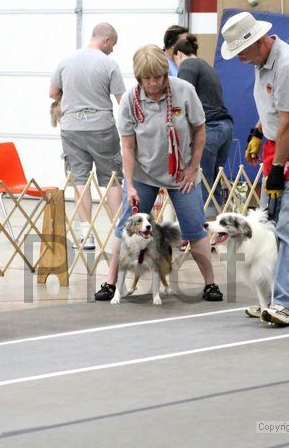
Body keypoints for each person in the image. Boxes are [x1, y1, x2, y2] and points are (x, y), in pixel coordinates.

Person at [220, 11, 289, 327]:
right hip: (278, 145)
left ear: (257, 42)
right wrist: (256, 132)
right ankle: (268, 301)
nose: (240, 59)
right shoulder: (261, 64)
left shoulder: (288, 65)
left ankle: (286, 306)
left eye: (241, 52)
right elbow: (274, 111)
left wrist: (277, 170)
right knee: (266, 225)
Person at [95, 44, 224, 302]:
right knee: (125, 226)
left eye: (159, 77)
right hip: (144, 174)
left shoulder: (184, 91)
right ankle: (111, 283)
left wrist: (193, 168)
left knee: (195, 228)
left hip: (181, 174)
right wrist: (129, 185)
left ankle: (210, 283)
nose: (154, 83)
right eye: (148, 78)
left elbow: (200, 131)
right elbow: (128, 146)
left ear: (166, 74)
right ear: (139, 78)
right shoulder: (131, 101)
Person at [50, 23, 125, 250]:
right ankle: (120, 233)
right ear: (106, 40)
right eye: (113, 44)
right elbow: (123, 100)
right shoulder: (109, 64)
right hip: (101, 127)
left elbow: (52, 93)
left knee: (80, 179)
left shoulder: (65, 61)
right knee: (112, 179)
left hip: (71, 128)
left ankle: (85, 235)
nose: (112, 49)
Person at [173, 34, 234, 219]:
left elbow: (181, 100)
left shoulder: (187, 65)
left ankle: (204, 234)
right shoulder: (207, 66)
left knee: (202, 184)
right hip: (225, 127)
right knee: (213, 183)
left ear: (178, 54)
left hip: (209, 129)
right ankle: (218, 227)